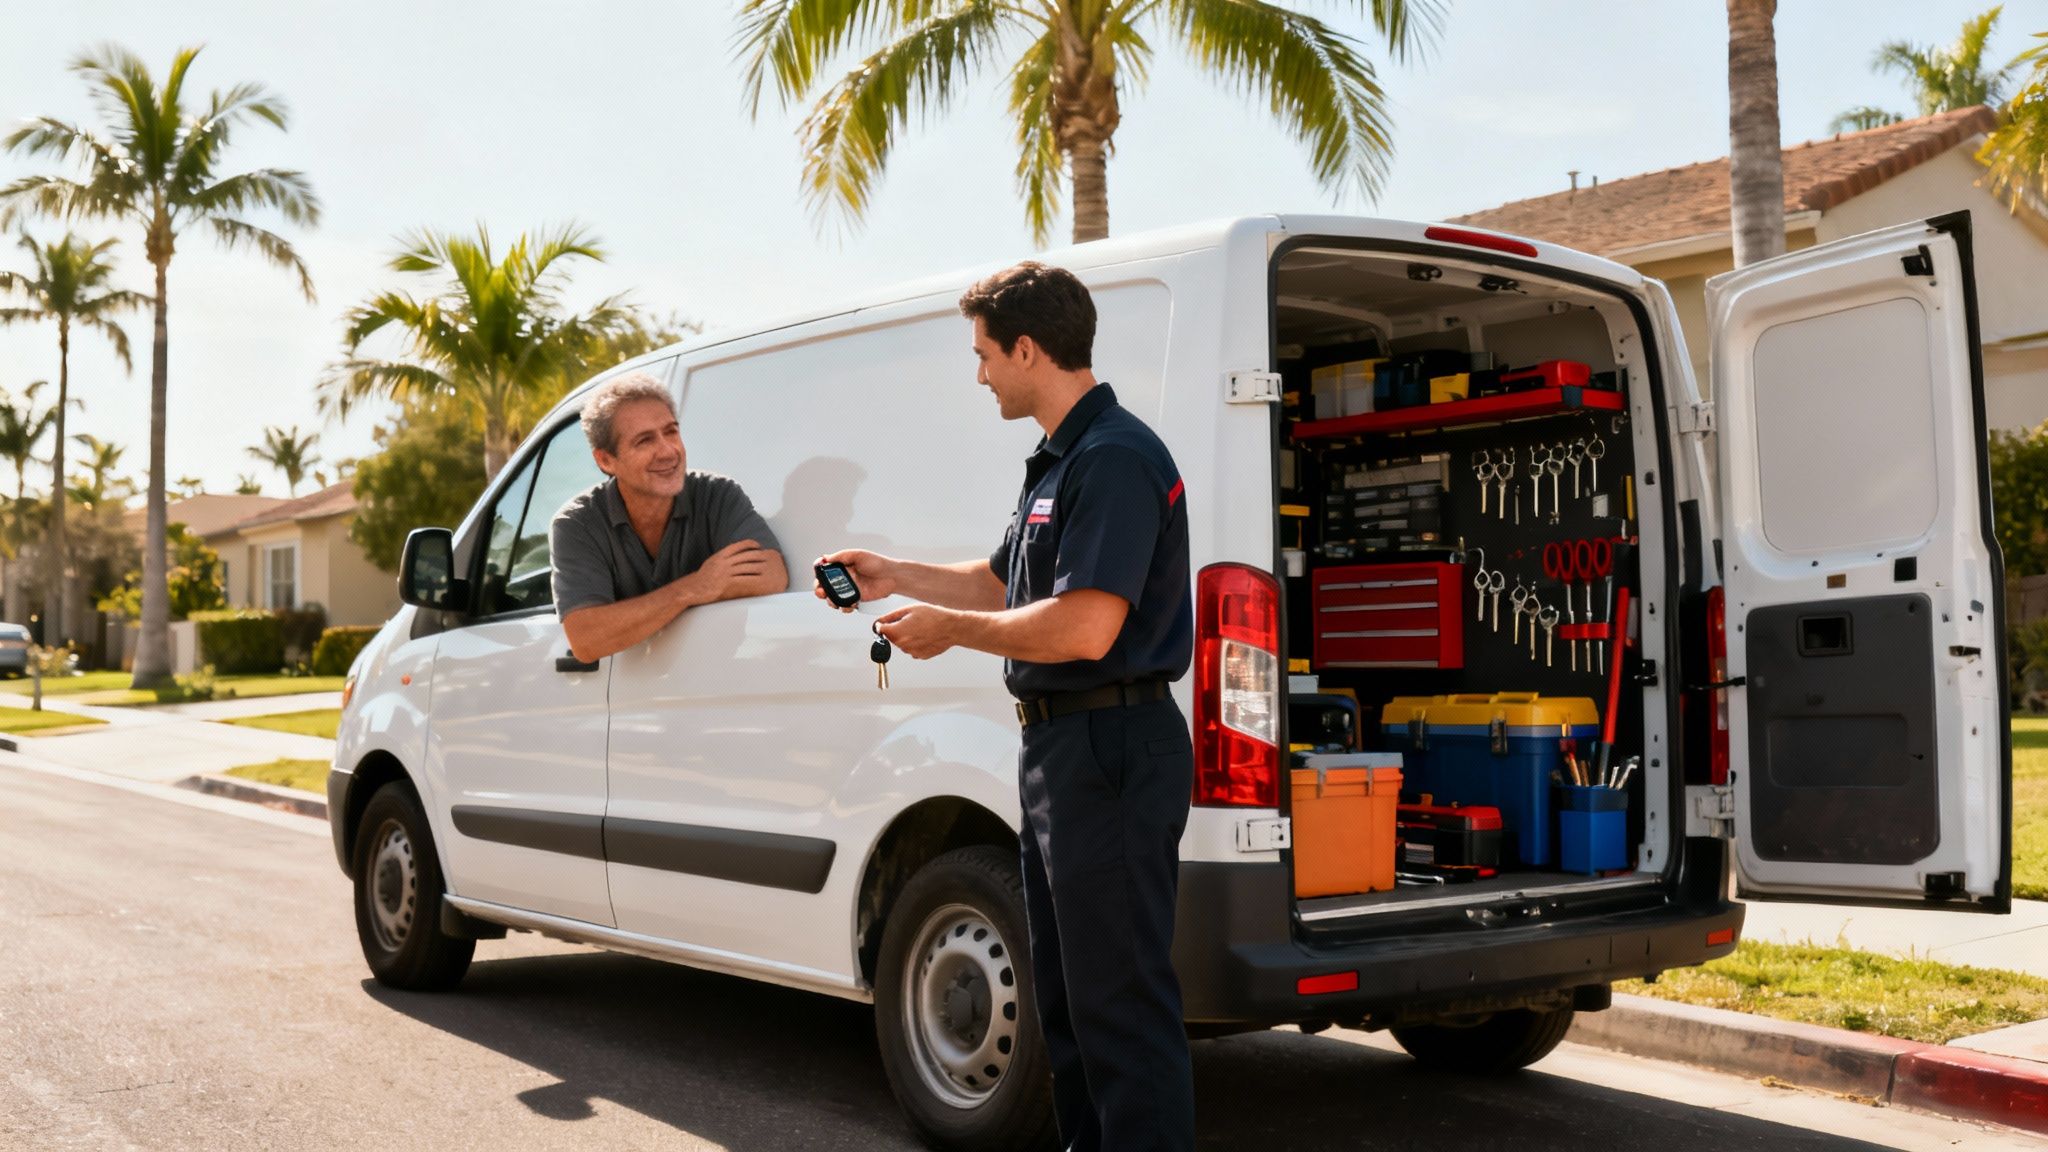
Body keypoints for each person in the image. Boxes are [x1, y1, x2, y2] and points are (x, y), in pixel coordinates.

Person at [816, 262, 1195, 1152]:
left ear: (1029, 348)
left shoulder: (1116, 459)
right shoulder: (1060, 459)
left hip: (1112, 748)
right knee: (1066, 1006)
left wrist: (950, 630)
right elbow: (999, 581)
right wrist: (895, 573)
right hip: (1063, 759)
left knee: (1121, 1010)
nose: (979, 373)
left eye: (985, 354)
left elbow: (1085, 627)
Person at [551, 372, 787, 662]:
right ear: (605, 460)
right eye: (644, 441)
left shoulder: (717, 494)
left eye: (671, 432)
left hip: (725, 674)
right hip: (637, 696)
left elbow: (771, 575)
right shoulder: (577, 524)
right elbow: (587, 641)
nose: (667, 451)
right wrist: (693, 588)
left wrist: (635, 617)